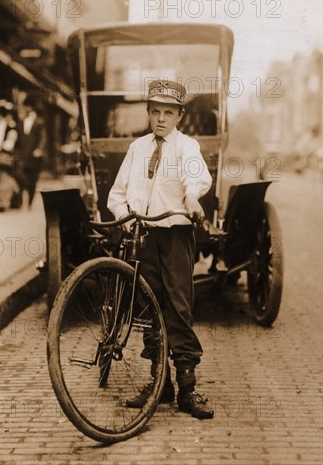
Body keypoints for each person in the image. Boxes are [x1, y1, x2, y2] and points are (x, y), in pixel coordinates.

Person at [107, 79, 214, 419]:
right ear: (149, 113)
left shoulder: (187, 147)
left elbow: (196, 178)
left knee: (178, 308)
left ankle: (187, 388)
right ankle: (159, 383)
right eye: (155, 111)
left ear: (179, 115)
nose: (161, 119)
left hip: (175, 236)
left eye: (169, 112)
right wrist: (127, 220)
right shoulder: (137, 148)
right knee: (149, 309)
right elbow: (117, 193)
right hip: (145, 237)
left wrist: (192, 197)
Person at [17, 96, 46, 208]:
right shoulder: (21, 121)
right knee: (20, 177)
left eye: (26, 106)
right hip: (23, 155)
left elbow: (43, 138)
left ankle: (29, 202)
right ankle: (20, 201)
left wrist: (39, 149)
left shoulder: (39, 122)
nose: (25, 109)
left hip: (34, 156)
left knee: (32, 180)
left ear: (31, 107)